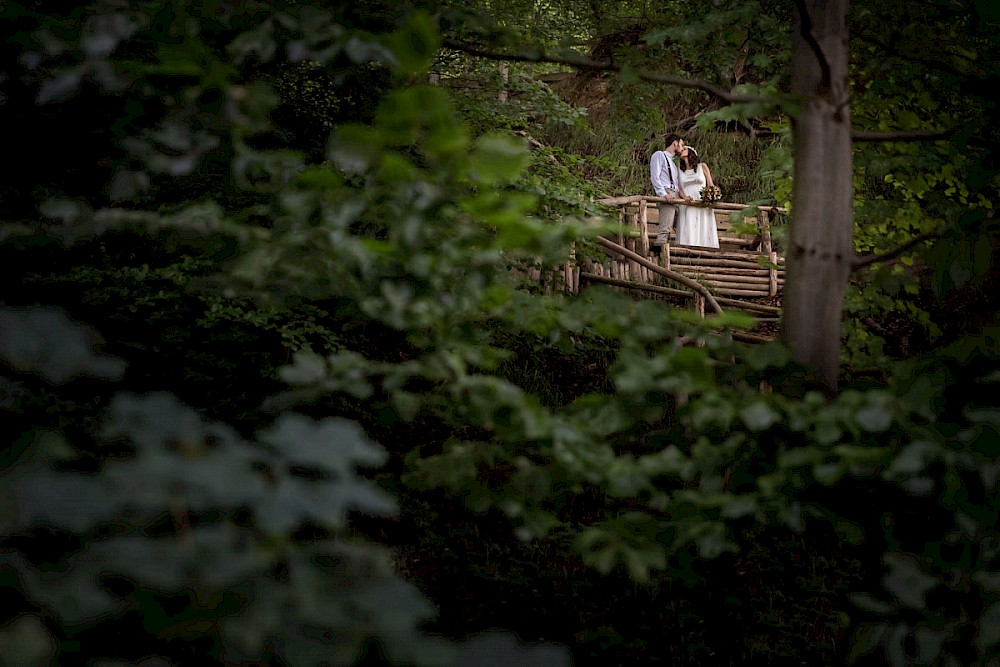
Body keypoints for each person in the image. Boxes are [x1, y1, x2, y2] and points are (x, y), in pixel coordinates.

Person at [649, 133, 692, 248]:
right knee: (665, 228)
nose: (683, 148)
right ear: (675, 143)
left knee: (681, 225)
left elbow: (678, 185)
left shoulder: (673, 163)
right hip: (667, 194)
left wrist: (684, 197)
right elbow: (655, 177)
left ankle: (683, 252)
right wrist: (663, 194)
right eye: (682, 145)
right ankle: (659, 254)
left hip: (676, 195)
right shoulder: (659, 155)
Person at [675, 146, 719, 249]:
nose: (682, 150)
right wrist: (685, 197)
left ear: (691, 152)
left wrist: (710, 196)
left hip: (702, 201)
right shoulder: (679, 171)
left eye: (684, 149)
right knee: (689, 224)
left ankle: (706, 248)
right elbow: (679, 189)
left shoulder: (702, 166)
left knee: (703, 223)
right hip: (688, 202)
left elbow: (710, 184)